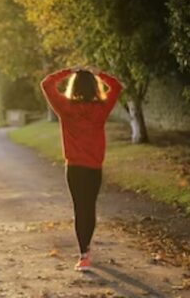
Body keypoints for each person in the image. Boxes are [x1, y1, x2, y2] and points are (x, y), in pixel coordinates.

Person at [40, 65, 123, 272]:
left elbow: (46, 84)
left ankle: (83, 254)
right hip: (94, 167)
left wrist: (68, 70)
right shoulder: (101, 108)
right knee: (90, 207)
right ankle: (86, 250)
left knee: (80, 208)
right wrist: (99, 73)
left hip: (74, 167)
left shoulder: (65, 107)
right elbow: (117, 86)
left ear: (73, 86)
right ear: (94, 87)